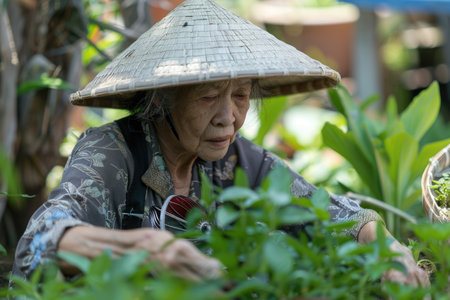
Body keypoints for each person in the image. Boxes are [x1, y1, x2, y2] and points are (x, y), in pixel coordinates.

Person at [13, 0, 428, 287]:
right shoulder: (111, 151)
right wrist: (139, 248)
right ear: (163, 99)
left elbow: (329, 210)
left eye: (241, 96)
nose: (228, 117)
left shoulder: (234, 158)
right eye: (209, 97)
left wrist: (386, 246)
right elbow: (38, 241)